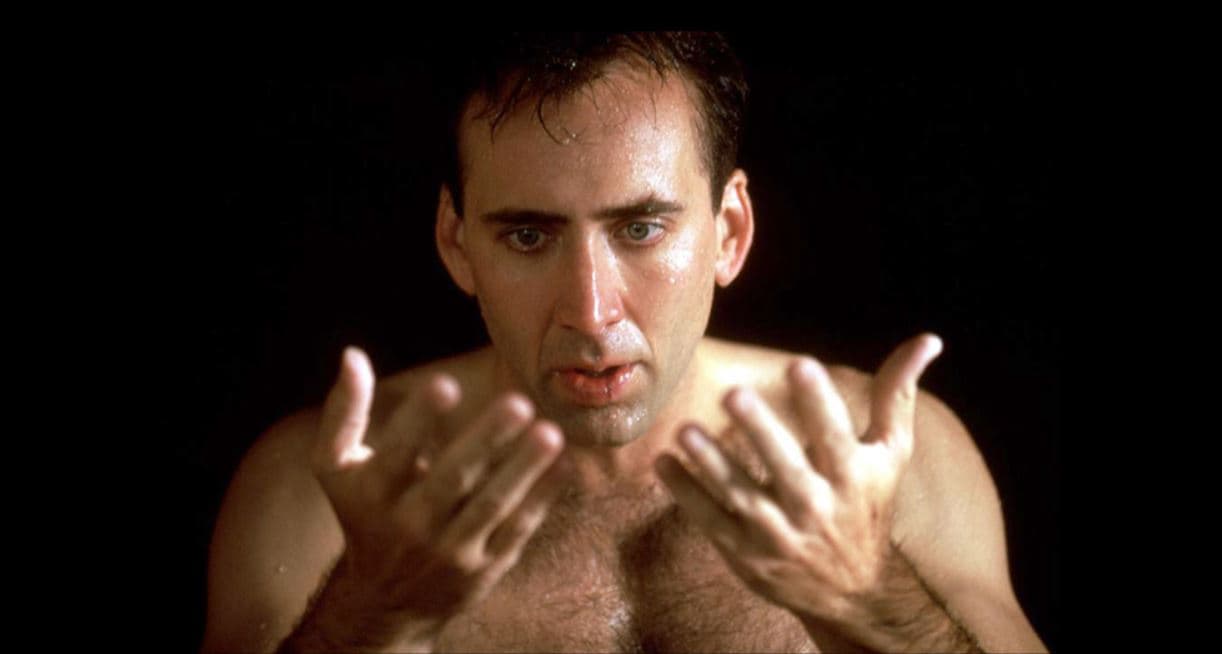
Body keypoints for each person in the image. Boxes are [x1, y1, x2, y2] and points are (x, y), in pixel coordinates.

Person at [201, 33, 1048, 653]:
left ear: (729, 231)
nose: (592, 312)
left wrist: (870, 602)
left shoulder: (884, 460)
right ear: (457, 244)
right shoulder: (330, 491)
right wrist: (371, 617)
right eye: (528, 236)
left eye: (641, 229)